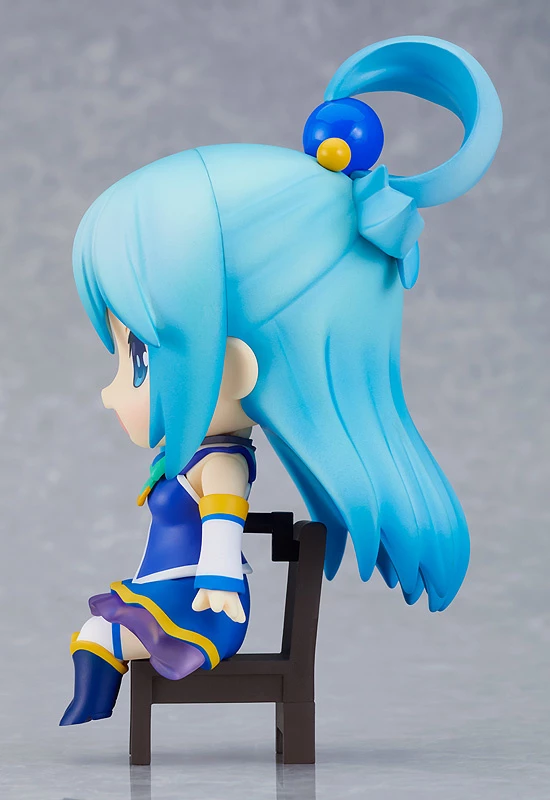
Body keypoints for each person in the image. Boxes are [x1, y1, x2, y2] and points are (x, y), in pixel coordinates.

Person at [60, 35, 502, 726]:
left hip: (200, 607)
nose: (112, 388)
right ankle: (89, 708)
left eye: (139, 356)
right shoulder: (191, 456)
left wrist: (218, 577)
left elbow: (223, 525)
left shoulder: (220, 464)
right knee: (94, 633)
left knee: (102, 636)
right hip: (165, 592)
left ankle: (90, 707)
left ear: (235, 366)